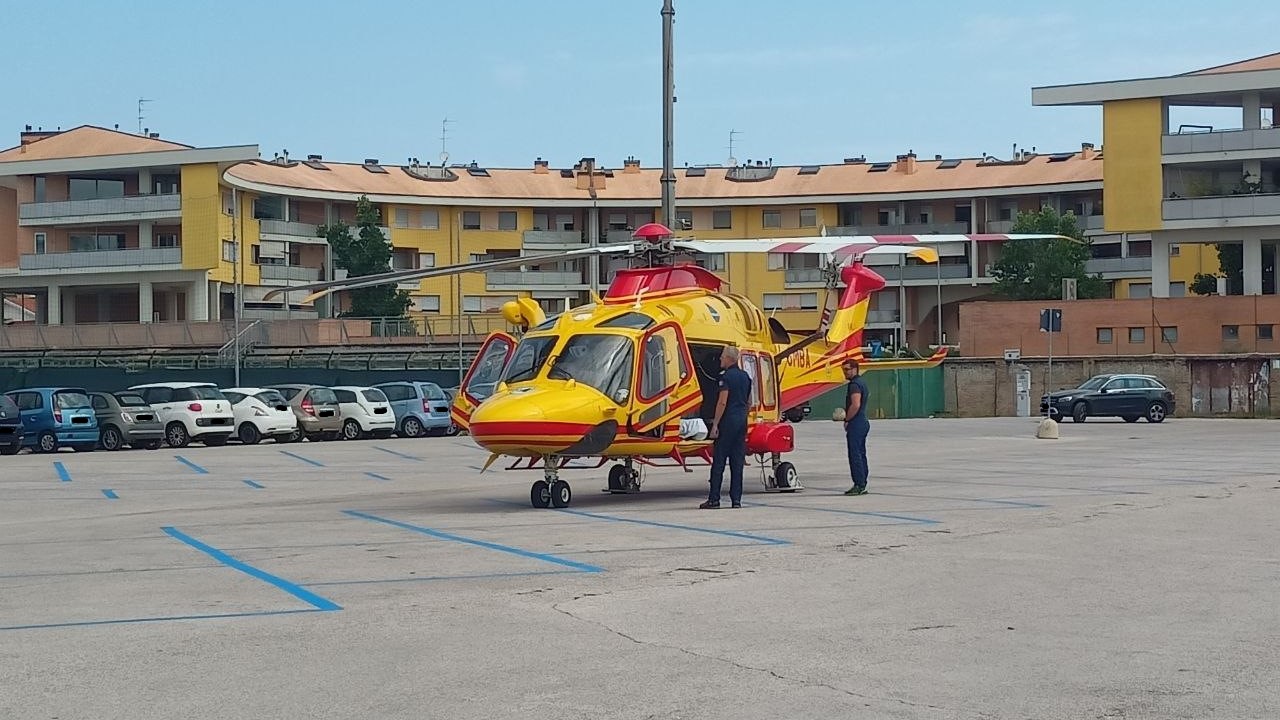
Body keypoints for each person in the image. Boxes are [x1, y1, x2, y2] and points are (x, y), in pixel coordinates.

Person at [700, 345, 752, 509]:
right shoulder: (746, 377)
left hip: (727, 421)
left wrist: (715, 423)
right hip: (741, 421)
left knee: (719, 461)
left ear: (729, 359)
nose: (720, 359)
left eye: (722, 357)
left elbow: (722, 401)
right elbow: (749, 401)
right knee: (737, 462)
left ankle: (714, 499)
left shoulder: (725, 378)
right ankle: (736, 500)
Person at [842, 358, 870, 495]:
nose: (845, 373)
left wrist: (847, 419)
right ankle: (863, 482)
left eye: (847, 369)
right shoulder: (862, 383)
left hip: (856, 422)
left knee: (855, 454)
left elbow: (855, 404)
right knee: (861, 453)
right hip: (863, 421)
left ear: (855, 369)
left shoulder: (854, 385)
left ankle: (858, 484)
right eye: (843, 370)